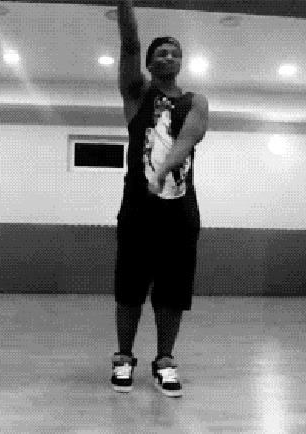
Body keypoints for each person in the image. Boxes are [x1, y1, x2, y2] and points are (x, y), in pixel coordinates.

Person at [111, 0, 209, 398]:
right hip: (138, 207)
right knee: (130, 286)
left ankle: (165, 360)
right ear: (150, 62)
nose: (167, 57)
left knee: (172, 289)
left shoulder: (195, 101)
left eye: (174, 53)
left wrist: (164, 170)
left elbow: (188, 138)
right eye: (160, 53)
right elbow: (130, 44)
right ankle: (123, 357)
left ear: (181, 62)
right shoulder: (136, 95)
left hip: (180, 210)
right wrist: (124, 4)